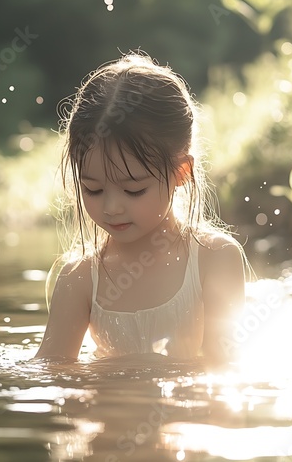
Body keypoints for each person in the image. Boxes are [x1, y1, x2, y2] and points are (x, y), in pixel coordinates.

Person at [36, 52, 247, 367]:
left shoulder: (213, 258)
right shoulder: (79, 278)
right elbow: (53, 374)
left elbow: (225, 372)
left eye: (133, 189)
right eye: (92, 189)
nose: (111, 208)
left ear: (181, 172)